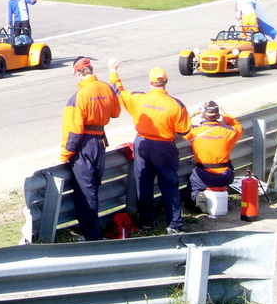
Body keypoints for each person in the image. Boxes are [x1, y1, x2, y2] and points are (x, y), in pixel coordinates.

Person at [108, 60, 191, 234]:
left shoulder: (138, 99)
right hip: (164, 147)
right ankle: (174, 224)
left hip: (142, 144)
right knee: (169, 185)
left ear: (150, 82)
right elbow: (184, 130)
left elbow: (118, 91)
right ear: (166, 82)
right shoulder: (176, 105)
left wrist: (113, 71)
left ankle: (147, 222)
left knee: (144, 184)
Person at [60, 56, 121, 240]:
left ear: (78, 73)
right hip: (100, 143)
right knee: (94, 186)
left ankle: (92, 236)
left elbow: (73, 132)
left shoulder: (78, 96)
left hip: (84, 145)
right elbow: (116, 112)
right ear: (91, 69)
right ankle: (93, 232)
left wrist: (64, 156)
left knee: (86, 192)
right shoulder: (106, 88)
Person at [183, 101, 242, 213]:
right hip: (225, 176)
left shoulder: (195, 131)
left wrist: (194, 113)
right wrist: (225, 114)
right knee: (229, 164)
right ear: (218, 116)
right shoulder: (229, 131)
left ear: (203, 115)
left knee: (192, 187)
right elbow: (238, 126)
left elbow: (180, 126)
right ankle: (224, 194)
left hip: (203, 176)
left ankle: (197, 196)